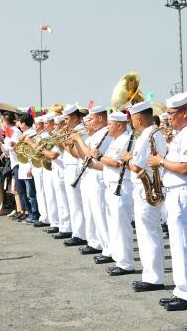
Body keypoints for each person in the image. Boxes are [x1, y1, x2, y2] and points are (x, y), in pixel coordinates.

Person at [149, 92, 187, 311]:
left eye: (171, 113)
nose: (168, 118)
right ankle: (181, 291)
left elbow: (186, 167)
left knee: (183, 246)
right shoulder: (183, 133)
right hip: (177, 193)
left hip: (184, 193)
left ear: (183, 112)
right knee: (178, 246)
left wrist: (161, 161)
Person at [122, 101, 167, 291]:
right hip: (147, 188)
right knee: (147, 233)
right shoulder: (155, 134)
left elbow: (137, 166)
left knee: (148, 234)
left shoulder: (147, 136)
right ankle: (150, 275)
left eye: (132, 120)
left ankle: (153, 278)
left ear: (138, 119)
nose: (132, 124)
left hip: (146, 190)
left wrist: (128, 159)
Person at [92, 111, 135, 276]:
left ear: (119, 125)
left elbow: (117, 163)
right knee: (114, 226)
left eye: (110, 124)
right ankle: (119, 259)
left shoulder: (126, 140)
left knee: (121, 227)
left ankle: (126, 263)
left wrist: (99, 156)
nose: (108, 127)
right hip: (111, 187)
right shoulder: (115, 140)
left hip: (121, 187)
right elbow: (108, 164)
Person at [70, 106, 114, 263]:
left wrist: (79, 140)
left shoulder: (105, 134)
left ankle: (109, 249)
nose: (87, 123)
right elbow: (82, 156)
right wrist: (74, 142)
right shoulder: (95, 134)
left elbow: (91, 156)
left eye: (90, 119)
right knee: (91, 213)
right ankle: (95, 242)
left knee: (101, 215)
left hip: (99, 177)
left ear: (100, 119)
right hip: (90, 175)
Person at [60, 104, 87, 246]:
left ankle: (80, 234)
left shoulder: (80, 131)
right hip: (69, 167)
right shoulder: (72, 130)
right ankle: (77, 232)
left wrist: (64, 143)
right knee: (72, 202)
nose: (65, 122)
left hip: (75, 167)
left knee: (76, 203)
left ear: (75, 118)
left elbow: (77, 154)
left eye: (67, 119)